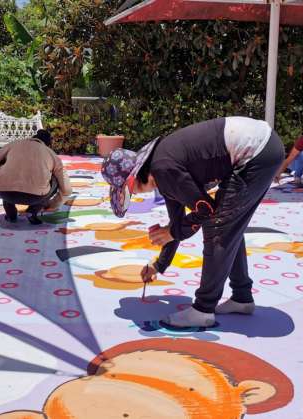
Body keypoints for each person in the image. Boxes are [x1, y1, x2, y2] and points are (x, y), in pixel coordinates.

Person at [101, 117, 285, 327]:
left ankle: (203, 310)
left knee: (219, 227)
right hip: (262, 147)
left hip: (257, 153)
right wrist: (158, 265)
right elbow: (176, 223)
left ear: (133, 180)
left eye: (128, 191)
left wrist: (173, 232)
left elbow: (206, 211)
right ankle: (241, 297)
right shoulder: (161, 168)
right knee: (230, 224)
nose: (132, 195)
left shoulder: (164, 170)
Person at [0, 129, 72, 225]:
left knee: (7, 176)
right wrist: (52, 205)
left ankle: (11, 214)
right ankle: (32, 212)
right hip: (35, 197)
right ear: (48, 144)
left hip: (6, 193)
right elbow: (67, 189)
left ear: (33, 138)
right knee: (56, 179)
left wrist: (0, 169)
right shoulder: (51, 153)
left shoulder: (14, 144)